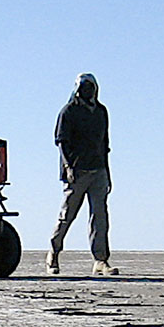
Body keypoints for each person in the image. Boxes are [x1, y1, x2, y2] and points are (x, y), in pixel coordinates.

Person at [49, 72, 116, 275]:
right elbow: (61, 142)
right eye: (84, 87)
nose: (88, 91)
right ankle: (54, 253)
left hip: (98, 170)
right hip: (76, 172)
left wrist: (108, 172)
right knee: (67, 215)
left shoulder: (101, 112)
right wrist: (69, 168)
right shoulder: (68, 111)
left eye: (91, 87)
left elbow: (105, 144)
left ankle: (101, 260)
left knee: (100, 216)